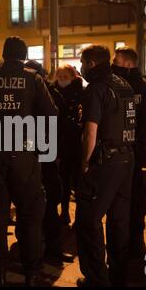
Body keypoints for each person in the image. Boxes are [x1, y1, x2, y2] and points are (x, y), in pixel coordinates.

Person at [0, 37, 57, 286]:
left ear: (5, 55)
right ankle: (31, 274)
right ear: (23, 55)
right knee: (29, 216)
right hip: (25, 155)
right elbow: (51, 114)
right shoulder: (33, 80)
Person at [76, 45, 136, 287]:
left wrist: (84, 163)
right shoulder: (124, 85)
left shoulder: (96, 89)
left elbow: (91, 131)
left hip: (105, 161)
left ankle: (97, 279)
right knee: (118, 221)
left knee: (88, 220)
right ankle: (119, 275)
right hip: (127, 160)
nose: (81, 67)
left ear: (91, 63)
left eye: (82, 62)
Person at [25, 60, 73, 264]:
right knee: (32, 205)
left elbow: (63, 127)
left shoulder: (52, 95)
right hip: (32, 156)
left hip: (45, 156)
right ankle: (34, 249)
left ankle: (50, 247)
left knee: (50, 202)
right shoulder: (29, 93)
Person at [112, 47, 146, 261]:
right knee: (137, 197)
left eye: (116, 61)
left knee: (122, 198)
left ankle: (124, 245)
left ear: (128, 64)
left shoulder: (121, 85)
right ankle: (137, 242)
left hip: (123, 149)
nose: (113, 64)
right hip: (138, 150)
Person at [54, 65, 85, 226]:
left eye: (66, 76)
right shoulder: (53, 92)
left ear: (73, 77)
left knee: (78, 182)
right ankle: (64, 212)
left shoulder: (81, 92)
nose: (63, 78)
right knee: (63, 181)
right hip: (61, 143)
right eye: (60, 75)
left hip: (76, 144)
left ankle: (80, 216)